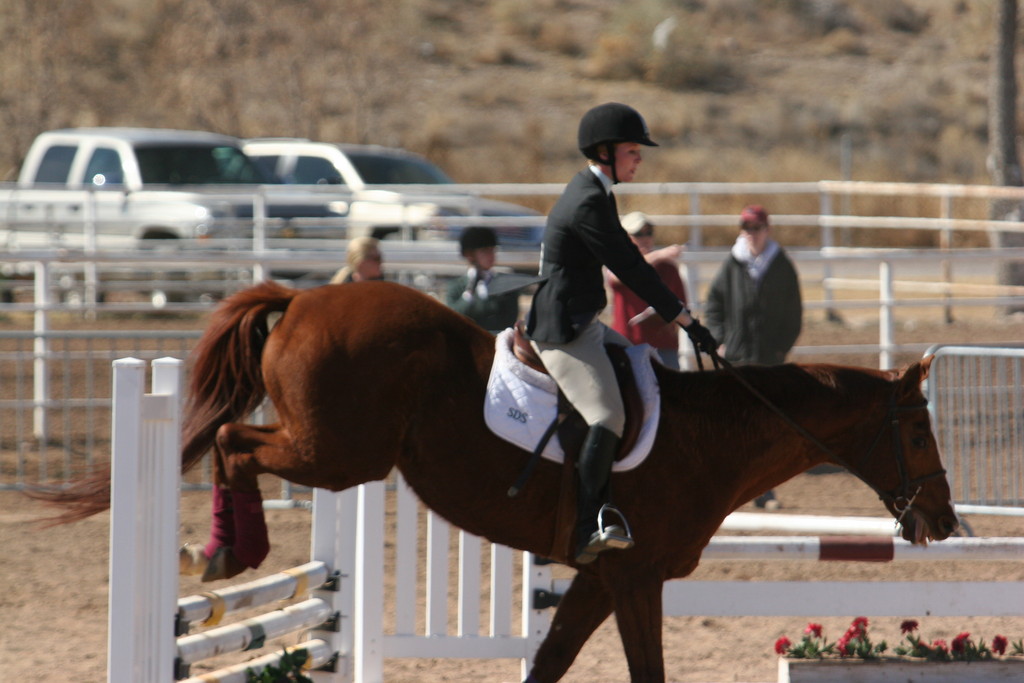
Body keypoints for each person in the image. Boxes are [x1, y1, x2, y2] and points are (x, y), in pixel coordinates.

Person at [525, 102, 717, 564]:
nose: (640, 159)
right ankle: (587, 524)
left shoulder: (596, 192)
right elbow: (630, 267)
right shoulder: (589, 201)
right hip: (562, 332)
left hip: (583, 322)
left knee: (646, 369)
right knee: (607, 416)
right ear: (606, 152)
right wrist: (686, 321)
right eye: (633, 151)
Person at [704, 204, 802, 509]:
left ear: (766, 230)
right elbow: (714, 304)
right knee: (735, 426)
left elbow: (794, 312)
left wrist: (780, 347)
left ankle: (765, 490)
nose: (751, 235)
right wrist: (720, 340)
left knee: (767, 428)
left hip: (768, 359)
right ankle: (732, 490)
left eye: (756, 228)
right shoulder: (732, 264)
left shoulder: (781, 264)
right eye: (746, 229)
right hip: (737, 358)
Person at [606, 211, 688, 369]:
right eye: (638, 234)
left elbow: (682, 306)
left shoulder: (667, 267)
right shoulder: (618, 263)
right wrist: (660, 254)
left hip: (663, 344)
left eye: (648, 233)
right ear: (626, 237)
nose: (645, 238)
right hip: (628, 344)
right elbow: (621, 274)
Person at [445, 226, 521, 332]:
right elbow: (453, 316)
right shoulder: (456, 286)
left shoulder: (506, 284)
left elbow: (508, 320)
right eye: (485, 251)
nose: (491, 256)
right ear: (470, 255)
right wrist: (469, 294)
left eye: (493, 250)